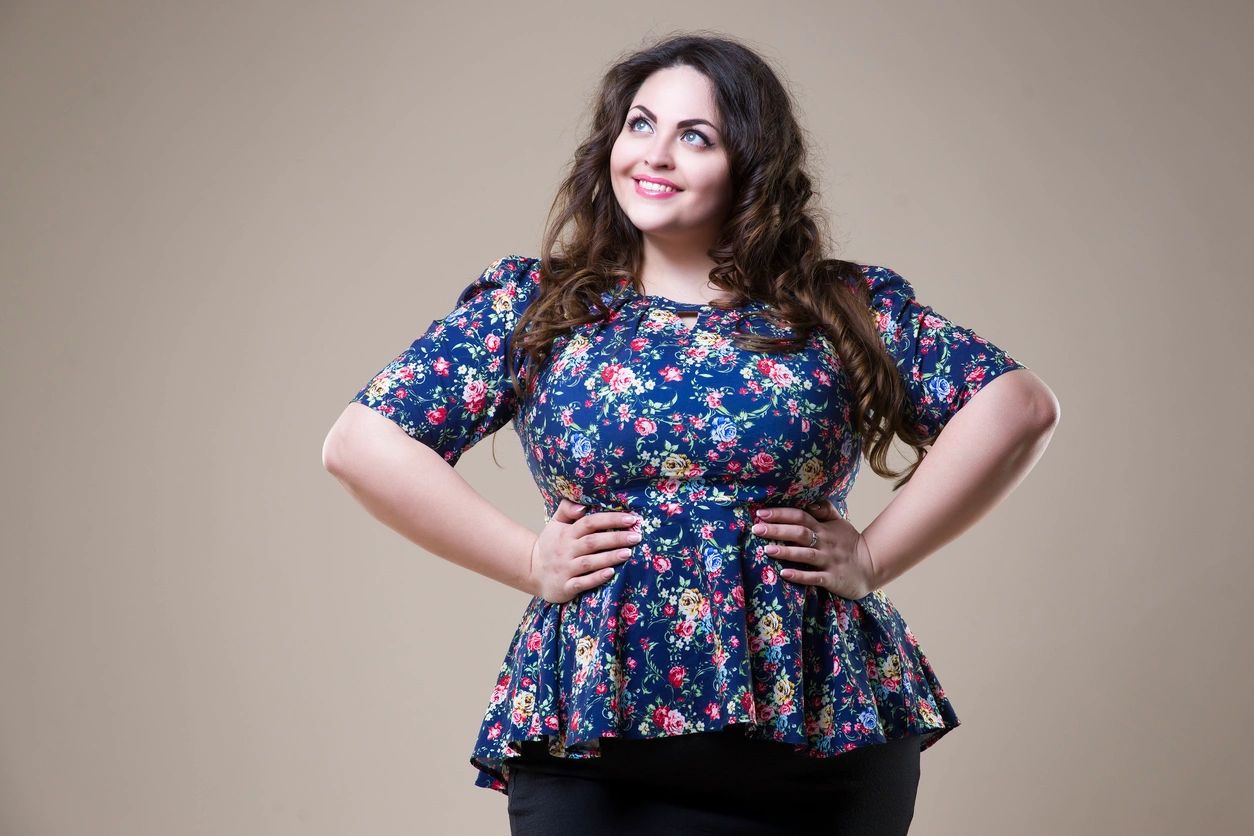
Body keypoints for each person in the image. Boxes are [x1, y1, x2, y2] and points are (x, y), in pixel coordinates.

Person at [323, 32, 1059, 836]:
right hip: (594, 738)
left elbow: (1017, 408)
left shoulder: (836, 308)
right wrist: (529, 559)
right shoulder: (543, 308)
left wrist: (874, 555)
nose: (655, 155)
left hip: (816, 734)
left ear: (750, 165)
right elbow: (360, 443)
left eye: (694, 136)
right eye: (639, 126)